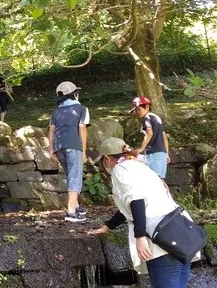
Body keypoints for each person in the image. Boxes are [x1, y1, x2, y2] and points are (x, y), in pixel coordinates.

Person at [87, 137, 199, 288]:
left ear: (107, 159)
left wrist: (140, 236)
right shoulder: (139, 166)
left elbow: (137, 201)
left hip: (162, 237)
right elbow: (130, 208)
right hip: (181, 230)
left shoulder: (120, 171)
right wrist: (107, 226)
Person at [48, 81, 90, 222]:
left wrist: (51, 149)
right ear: (74, 94)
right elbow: (82, 128)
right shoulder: (82, 109)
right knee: (75, 176)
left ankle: (76, 206)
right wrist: (84, 151)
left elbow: (51, 130)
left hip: (59, 146)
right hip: (74, 145)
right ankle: (71, 212)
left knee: (70, 174)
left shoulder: (56, 111)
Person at [130, 96, 170, 179]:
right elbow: (164, 136)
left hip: (153, 154)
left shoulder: (146, 118)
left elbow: (149, 132)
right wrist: (166, 153)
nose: (137, 112)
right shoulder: (157, 118)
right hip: (162, 155)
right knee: (160, 181)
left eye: (138, 109)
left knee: (152, 180)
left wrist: (141, 148)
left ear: (147, 107)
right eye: (135, 110)